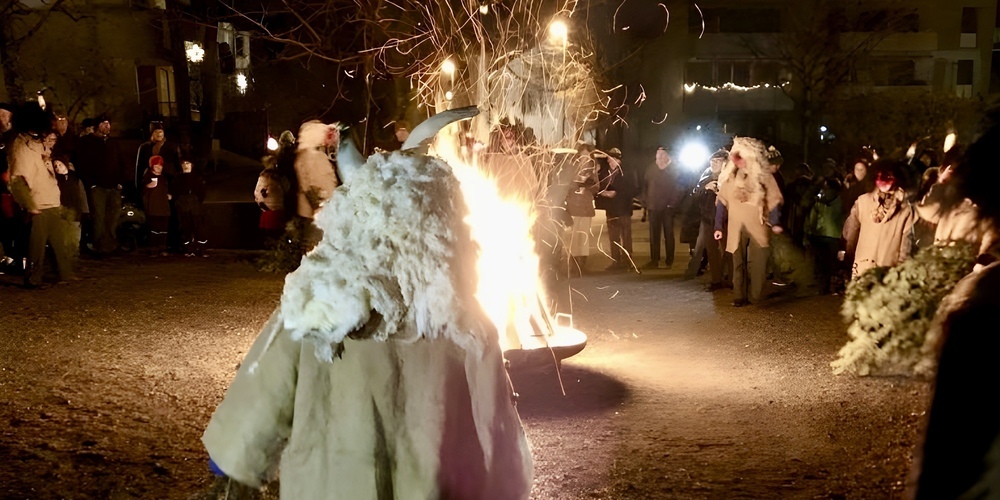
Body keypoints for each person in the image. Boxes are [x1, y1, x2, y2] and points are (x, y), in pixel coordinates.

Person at [201, 114, 532, 498]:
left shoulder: (318, 302)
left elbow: (266, 388)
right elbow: (497, 424)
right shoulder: (462, 319)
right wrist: (507, 482)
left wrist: (235, 456)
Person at [909, 106, 1000, 500]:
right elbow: (926, 209)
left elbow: (948, 459)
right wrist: (942, 183)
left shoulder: (986, 309)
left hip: (965, 268)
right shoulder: (983, 308)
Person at [6, 103, 75, 288]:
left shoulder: (36, 142)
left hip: (51, 200)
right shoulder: (23, 146)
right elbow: (17, 180)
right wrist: (29, 205)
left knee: (59, 245)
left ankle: (65, 274)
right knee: (36, 248)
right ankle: (33, 279)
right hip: (38, 204)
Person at [714, 137, 784, 307]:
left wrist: (774, 222)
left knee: (758, 262)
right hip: (736, 225)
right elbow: (722, 202)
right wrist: (718, 226)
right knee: (737, 261)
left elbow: (773, 198)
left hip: (758, 224)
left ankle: (755, 295)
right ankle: (739, 296)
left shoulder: (763, 176)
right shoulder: (730, 178)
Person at [840, 159, 914, 279]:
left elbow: (850, 235)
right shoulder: (906, 208)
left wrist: (848, 263)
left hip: (863, 272)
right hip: (889, 276)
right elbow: (906, 249)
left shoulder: (862, 202)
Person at [74, 114, 128, 256]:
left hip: (113, 187)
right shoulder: (87, 142)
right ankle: (100, 245)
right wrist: (90, 184)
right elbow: (82, 164)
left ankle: (111, 243)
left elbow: (121, 162)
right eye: (103, 123)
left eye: (108, 123)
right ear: (97, 126)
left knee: (113, 216)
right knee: (98, 216)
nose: (107, 126)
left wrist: (121, 182)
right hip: (97, 186)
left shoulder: (113, 143)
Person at [685, 148, 730, 289]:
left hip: (726, 219)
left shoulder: (730, 176)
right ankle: (716, 280)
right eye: (712, 161)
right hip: (708, 219)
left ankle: (730, 278)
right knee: (712, 251)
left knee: (728, 250)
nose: (714, 164)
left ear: (725, 163)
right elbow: (694, 194)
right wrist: (706, 188)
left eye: (717, 161)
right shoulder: (706, 175)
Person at [294, 120, 339, 250]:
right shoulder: (313, 157)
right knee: (317, 246)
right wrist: (319, 205)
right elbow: (312, 184)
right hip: (320, 211)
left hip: (315, 210)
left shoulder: (306, 155)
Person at [641, 146, 688, 270]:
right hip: (653, 207)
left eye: (662, 155)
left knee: (668, 234)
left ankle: (669, 260)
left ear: (667, 156)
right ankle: (654, 260)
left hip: (668, 208)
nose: (659, 157)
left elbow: (681, 188)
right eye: (657, 155)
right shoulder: (651, 168)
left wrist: (673, 203)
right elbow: (645, 186)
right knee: (654, 235)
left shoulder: (674, 169)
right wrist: (646, 201)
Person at [595, 147, 639, 272]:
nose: (609, 160)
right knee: (613, 238)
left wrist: (617, 193)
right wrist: (604, 194)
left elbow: (633, 189)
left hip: (624, 209)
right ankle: (616, 261)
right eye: (609, 158)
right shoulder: (604, 173)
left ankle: (628, 262)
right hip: (611, 210)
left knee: (626, 237)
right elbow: (599, 187)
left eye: (612, 158)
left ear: (618, 160)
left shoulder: (627, 173)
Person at [803, 176, 845, 294]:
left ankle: (831, 287)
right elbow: (811, 220)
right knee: (820, 263)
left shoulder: (841, 203)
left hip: (834, 237)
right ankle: (821, 287)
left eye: (828, 188)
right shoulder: (818, 204)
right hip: (820, 235)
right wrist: (809, 233)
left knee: (831, 263)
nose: (825, 191)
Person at [563, 144, 599, 276]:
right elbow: (566, 184)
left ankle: (581, 264)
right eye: (582, 155)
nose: (584, 158)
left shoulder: (593, 170)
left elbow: (597, 187)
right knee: (573, 237)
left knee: (583, 236)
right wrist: (576, 185)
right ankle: (572, 264)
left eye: (587, 155)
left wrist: (588, 185)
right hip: (573, 207)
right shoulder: (572, 169)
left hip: (585, 208)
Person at [53, 145, 88, 261]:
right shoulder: (56, 179)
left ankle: (73, 255)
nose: (58, 168)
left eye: (60, 165)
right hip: (61, 209)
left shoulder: (75, 178)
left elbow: (82, 194)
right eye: (56, 166)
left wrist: (85, 210)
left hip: (75, 209)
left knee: (74, 234)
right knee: (63, 235)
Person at [134, 121, 181, 203]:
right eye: (156, 132)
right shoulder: (144, 148)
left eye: (161, 131)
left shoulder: (171, 147)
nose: (159, 134)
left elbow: (177, 167)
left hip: (167, 185)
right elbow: (139, 169)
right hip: (150, 185)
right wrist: (139, 189)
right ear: (152, 133)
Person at [171, 159, 207, 256]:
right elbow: (174, 192)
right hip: (183, 206)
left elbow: (202, 193)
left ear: (192, 165)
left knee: (198, 227)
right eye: (183, 164)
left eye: (187, 163)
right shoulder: (177, 178)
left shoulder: (198, 178)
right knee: (185, 227)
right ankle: (188, 249)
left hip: (195, 206)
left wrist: (196, 200)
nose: (185, 165)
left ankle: (200, 249)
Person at [141, 155, 171, 254]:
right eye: (156, 165)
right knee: (153, 229)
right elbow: (142, 191)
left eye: (160, 165)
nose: (159, 167)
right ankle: (153, 248)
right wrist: (147, 186)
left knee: (163, 229)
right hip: (153, 208)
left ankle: (162, 247)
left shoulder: (163, 178)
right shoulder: (148, 177)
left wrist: (169, 195)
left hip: (163, 208)